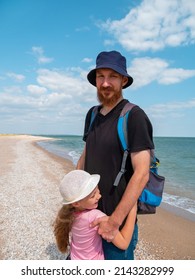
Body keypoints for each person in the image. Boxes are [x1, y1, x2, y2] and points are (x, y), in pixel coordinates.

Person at [76, 50, 154, 260]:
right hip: (87, 216)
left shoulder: (134, 116)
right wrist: (74, 201)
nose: (106, 83)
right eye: (101, 76)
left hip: (113, 222)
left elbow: (142, 174)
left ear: (124, 80)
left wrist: (114, 222)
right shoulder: (92, 114)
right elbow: (86, 154)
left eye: (113, 76)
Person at [54, 170, 137, 260]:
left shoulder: (70, 214)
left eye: (98, 190)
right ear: (76, 203)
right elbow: (124, 244)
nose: (99, 196)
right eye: (93, 196)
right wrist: (133, 206)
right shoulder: (96, 217)